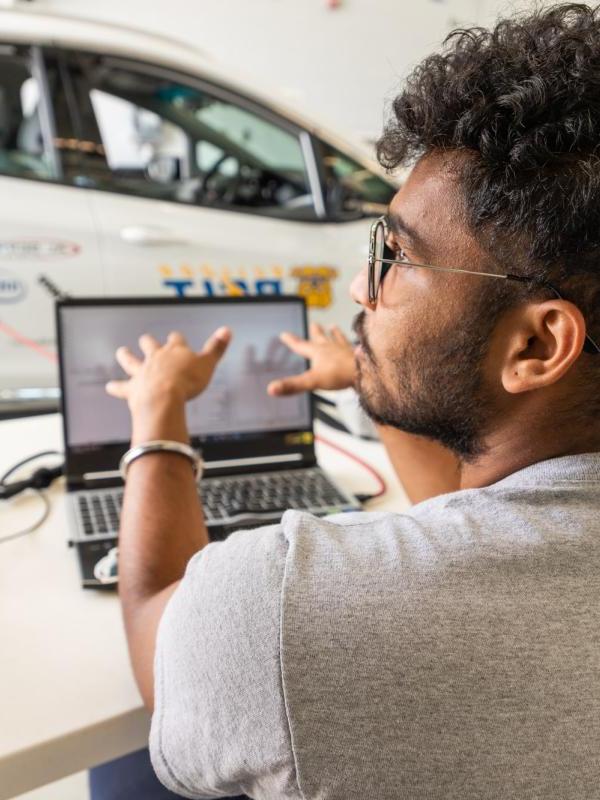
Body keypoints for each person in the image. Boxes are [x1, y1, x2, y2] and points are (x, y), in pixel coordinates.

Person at [105, 5, 600, 798]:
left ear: (537, 348)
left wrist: (158, 419)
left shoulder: (279, 607)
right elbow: (504, 520)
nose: (362, 290)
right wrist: (380, 384)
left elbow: (156, 637)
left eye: (397, 257)